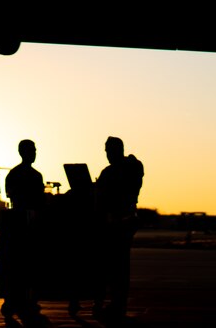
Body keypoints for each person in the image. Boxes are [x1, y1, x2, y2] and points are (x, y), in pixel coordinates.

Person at [93, 136, 144, 325]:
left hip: (123, 222)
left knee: (120, 267)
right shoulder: (108, 172)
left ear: (119, 150)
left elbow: (134, 180)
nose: (108, 155)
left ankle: (117, 305)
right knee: (113, 267)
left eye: (111, 151)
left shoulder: (130, 167)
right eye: (106, 151)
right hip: (111, 224)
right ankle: (113, 303)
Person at [2, 139, 45, 323]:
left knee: (17, 264)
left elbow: (9, 194)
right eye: (32, 150)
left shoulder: (14, 174)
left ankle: (14, 300)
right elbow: (39, 199)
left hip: (18, 221)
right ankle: (26, 299)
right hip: (25, 222)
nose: (35, 153)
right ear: (24, 152)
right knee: (27, 263)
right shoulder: (34, 176)